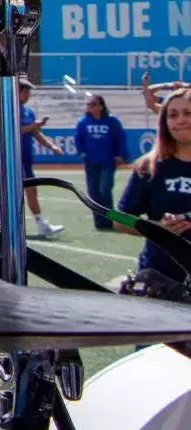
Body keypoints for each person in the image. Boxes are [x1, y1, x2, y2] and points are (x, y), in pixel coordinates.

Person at [115, 87, 191, 286]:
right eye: (172, 115)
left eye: (188, 113)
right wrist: (156, 228)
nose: (180, 120)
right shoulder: (147, 166)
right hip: (159, 279)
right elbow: (117, 218)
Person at [15, 81, 64, 238]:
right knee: (21, 190)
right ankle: (41, 224)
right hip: (15, 156)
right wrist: (36, 124)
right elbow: (16, 129)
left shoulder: (28, 111)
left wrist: (52, 146)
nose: (28, 95)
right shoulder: (10, 109)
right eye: (26, 91)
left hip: (26, 157)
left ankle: (41, 224)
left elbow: (36, 133)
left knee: (24, 190)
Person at [75, 94, 128, 230]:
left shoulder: (112, 121)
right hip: (91, 162)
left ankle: (110, 220)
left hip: (108, 161)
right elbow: (78, 139)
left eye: (93, 104)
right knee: (93, 192)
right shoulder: (83, 122)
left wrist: (121, 155)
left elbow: (120, 138)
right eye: (88, 104)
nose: (90, 107)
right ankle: (99, 222)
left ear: (101, 106)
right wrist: (82, 153)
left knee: (105, 188)